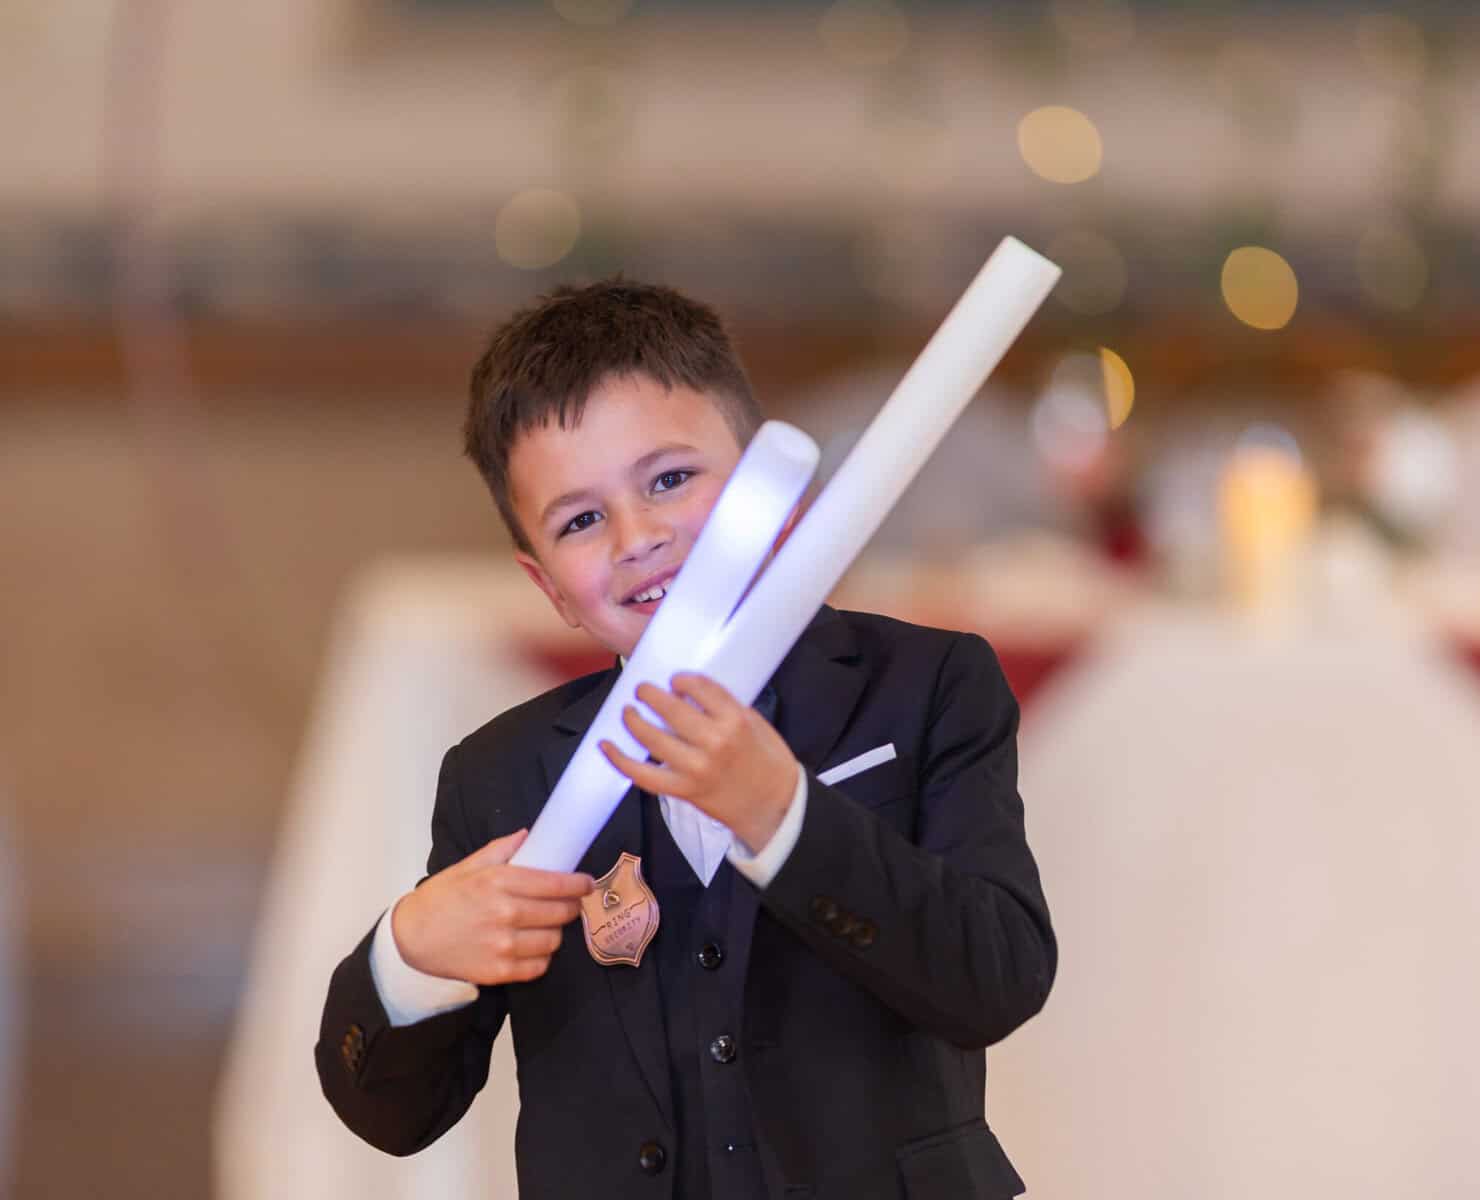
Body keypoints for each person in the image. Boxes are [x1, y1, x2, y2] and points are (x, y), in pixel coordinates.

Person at [315, 280, 1056, 1200]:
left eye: (670, 479)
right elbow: (397, 1114)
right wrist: (410, 951)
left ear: (774, 492)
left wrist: (782, 818)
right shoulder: (500, 776)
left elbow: (996, 979)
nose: (640, 536)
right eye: (580, 521)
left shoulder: (925, 687)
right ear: (547, 586)